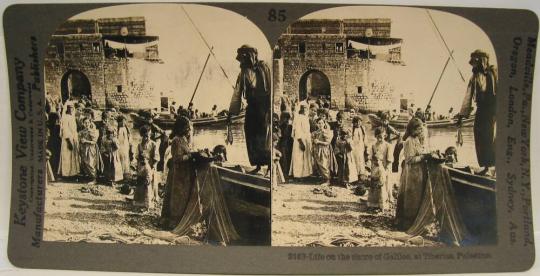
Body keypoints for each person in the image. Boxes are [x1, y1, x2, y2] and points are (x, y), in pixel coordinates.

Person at [229, 45, 271, 174]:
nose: (241, 62)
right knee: (250, 134)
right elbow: (237, 92)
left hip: (264, 107)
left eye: (243, 59)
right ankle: (257, 165)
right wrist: (231, 113)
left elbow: (270, 89)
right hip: (252, 107)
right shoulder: (243, 73)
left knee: (263, 137)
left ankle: (269, 166)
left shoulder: (264, 68)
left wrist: (270, 110)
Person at [460, 49, 496, 175]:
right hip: (481, 109)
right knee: (479, 135)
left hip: (493, 110)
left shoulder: (493, 73)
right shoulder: (474, 77)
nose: (473, 65)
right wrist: (462, 114)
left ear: (481, 61)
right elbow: (468, 95)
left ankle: (493, 166)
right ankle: (486, 166)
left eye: (475, 62)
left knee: (491, 136)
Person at [160, 116, 196, 229]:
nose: (189, 130)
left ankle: (180, 219)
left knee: (182, 195)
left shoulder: (184, 139)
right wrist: (190, 156)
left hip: (184, 172)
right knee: (177, 196)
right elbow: (176, 158)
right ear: (182, 128)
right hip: (178, 173)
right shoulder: (176, 140)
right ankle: (173, 221)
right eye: (187, 128)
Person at [395, 118, 428, 230]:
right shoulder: (409, 141)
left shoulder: (417, 139)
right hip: (412, 173)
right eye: (418, 129)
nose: (420, 131)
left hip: (418, 172)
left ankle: (414, 220)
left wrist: (426, 154)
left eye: (421, 129)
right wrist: (424, 157)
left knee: (417, 196)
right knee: (411, 197)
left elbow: (420, 152)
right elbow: (409, 160)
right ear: (413, 129)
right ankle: (407, 223)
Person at [367, 127, 393, 212]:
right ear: (375, 137)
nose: (380, 139)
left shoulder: (388, 146)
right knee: (375, 184)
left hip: (385, 168)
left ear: (385, 135)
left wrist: (385, 170)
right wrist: (374, 162)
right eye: (378, 137)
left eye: (381, 137)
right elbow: (371, 157)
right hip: (376, 167)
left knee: (384, 185)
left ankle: (384, 203)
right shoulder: (373, 146)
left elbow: (389, 160)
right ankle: (374, 203)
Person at [134, 125, 160, 209]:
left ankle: (150, 201)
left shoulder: (153, 144)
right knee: (141, 183)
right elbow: (137, 156)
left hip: (151, 167)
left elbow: (156, 157)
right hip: (142, 167)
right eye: (145, 136)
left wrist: (152, 166)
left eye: (148, 136)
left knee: (150, 183)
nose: (147, 138)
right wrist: (140, 160)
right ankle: (141, 201)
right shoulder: (139, 145)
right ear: (142, 136)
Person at [289, 103, 312, 179]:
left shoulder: (305, 117)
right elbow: (297, 131)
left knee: (305, 158)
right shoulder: (298, 118)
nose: (305, 110)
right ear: (301, 109)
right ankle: (298, 175)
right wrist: (301, 142)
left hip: (305, 139)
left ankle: (304, 174)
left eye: (306, 108)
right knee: (299, 158)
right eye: (304, 108)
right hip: (300, 140)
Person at [58, 104, 80, 178]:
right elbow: (65, 130)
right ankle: (66, 174)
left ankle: (72, 173)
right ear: (67, 109)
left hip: (73, 138)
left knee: (72, 157)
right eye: (70, 109)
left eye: (72, 109)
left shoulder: (71, 117)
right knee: (67, 157)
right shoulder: (65, 118)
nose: (71, 110)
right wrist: (69, 142)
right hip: (68, 139)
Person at [79, 117, 103, 184]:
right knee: (85, 163)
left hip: (91, 148)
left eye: (88, 123)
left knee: (91, 163)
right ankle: (89, 177)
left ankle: (94, 179)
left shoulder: (92, 131)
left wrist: (86, 141)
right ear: (83, 123)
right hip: (84, 148)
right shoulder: (82, 131)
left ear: (90, 123)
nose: (86, 124)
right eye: (85, 123)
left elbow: (94, 142)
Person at [311, 117, 334, 185]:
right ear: (316, 124)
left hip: (323, 150)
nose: (320, 124)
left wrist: (319, 142)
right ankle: (323, 179)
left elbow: (328, 143)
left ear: (324, 124)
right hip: (317, 150)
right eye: (319, 123)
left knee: (324, 164)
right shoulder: (316, 132)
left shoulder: (326, 132)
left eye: (321, 123)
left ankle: (327, 180)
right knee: (318, 164)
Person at [278, 111, 293, 179]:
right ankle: (285, 174)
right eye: (286, 118)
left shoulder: (289, 126)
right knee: (284, 159)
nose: (287, 120)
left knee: (287, 159)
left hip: (287, 144)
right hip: (283, 144)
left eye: (288, 119)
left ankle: (286, 174)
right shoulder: (281, 126)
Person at [117, 115, 131, 180]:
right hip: (119, 146)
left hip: (125, 146)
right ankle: (120, 174)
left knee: (126, 159)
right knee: (119, 159)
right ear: (118, 122)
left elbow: (129, 138)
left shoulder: (126, 128)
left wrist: (130, 145)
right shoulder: (117, 129)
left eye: (124, 121)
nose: (123, 123)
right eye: (121, 122)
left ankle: (125, 174)